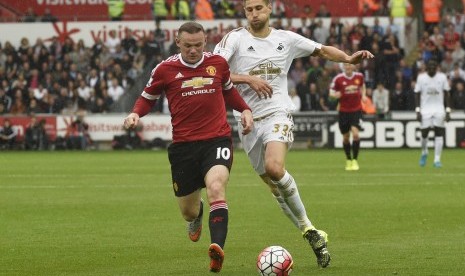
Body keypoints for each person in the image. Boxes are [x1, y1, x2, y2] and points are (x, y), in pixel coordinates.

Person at [214, 0, 373, 269]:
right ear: (245, 13)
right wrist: (247, 79)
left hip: (278, 113)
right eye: (249, 10)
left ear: (269, 10)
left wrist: (347, 58)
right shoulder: (234, 40)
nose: (254, 14)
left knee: (275, 168)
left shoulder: (285, 39)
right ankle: (309, 229)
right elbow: (215, 70)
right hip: (248, 120)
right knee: (273, 186)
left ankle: (308, 228)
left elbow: (321, 50)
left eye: (258, 8)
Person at [123, 21, 253, 273]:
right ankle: (197, 215)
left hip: (217, 139)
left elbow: (229, 92)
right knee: (188, 211)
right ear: (178, 43)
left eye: (198, 45)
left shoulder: (218, 64)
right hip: (184, 147)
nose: (193, 50)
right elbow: (147, 98)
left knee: (216, 188)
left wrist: (245, 109)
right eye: (188, 45)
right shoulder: (165, 69)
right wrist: (135, 114)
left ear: (205, 42)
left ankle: (217, 249)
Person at [330, 63, 368, 171]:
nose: (348, 67)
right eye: (346, 65)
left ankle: (355, 160)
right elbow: (331, 92)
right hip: (343, 111)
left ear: (353, 67)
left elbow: (362, 86)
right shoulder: (338, 79)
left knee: (355, 134)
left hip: (356, 110)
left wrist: (364, 95)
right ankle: (348, 159)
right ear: (343, 67)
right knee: (346, 137)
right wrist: (335, 95)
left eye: (350, 65)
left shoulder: (359, 76)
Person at [415, 59, 451, 168]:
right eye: (429, 65)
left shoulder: (442, 77)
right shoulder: (421, 78)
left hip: (439, 109)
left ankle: (437, 159)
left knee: (438, 133)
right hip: (425, 109)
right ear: (426, 67)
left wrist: (448, 110)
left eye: (433, 66)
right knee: (424, 134)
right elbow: (417, 94)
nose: (431, 67)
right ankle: (424, 152)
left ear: (437, 67)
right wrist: (417, 110)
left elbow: (447, 93)